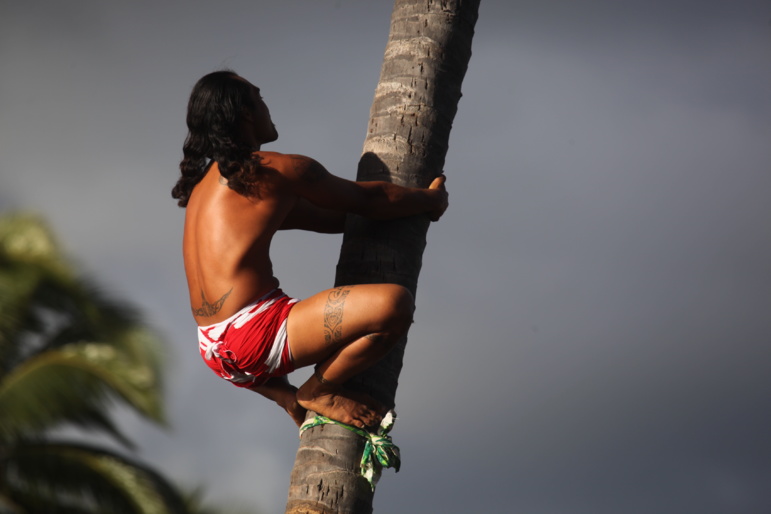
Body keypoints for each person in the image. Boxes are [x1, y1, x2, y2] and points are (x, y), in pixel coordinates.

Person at [172, 70, 448, 430]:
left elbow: (335, 218)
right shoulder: (276, 169)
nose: (268, 106)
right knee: (394, 306)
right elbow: (368, 199)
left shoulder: (203, 190)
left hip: (214, 349)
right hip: (254, 335)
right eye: (260, 97)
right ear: (245, 113)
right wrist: (429, 199)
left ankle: (287, 397)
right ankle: (317, 391)